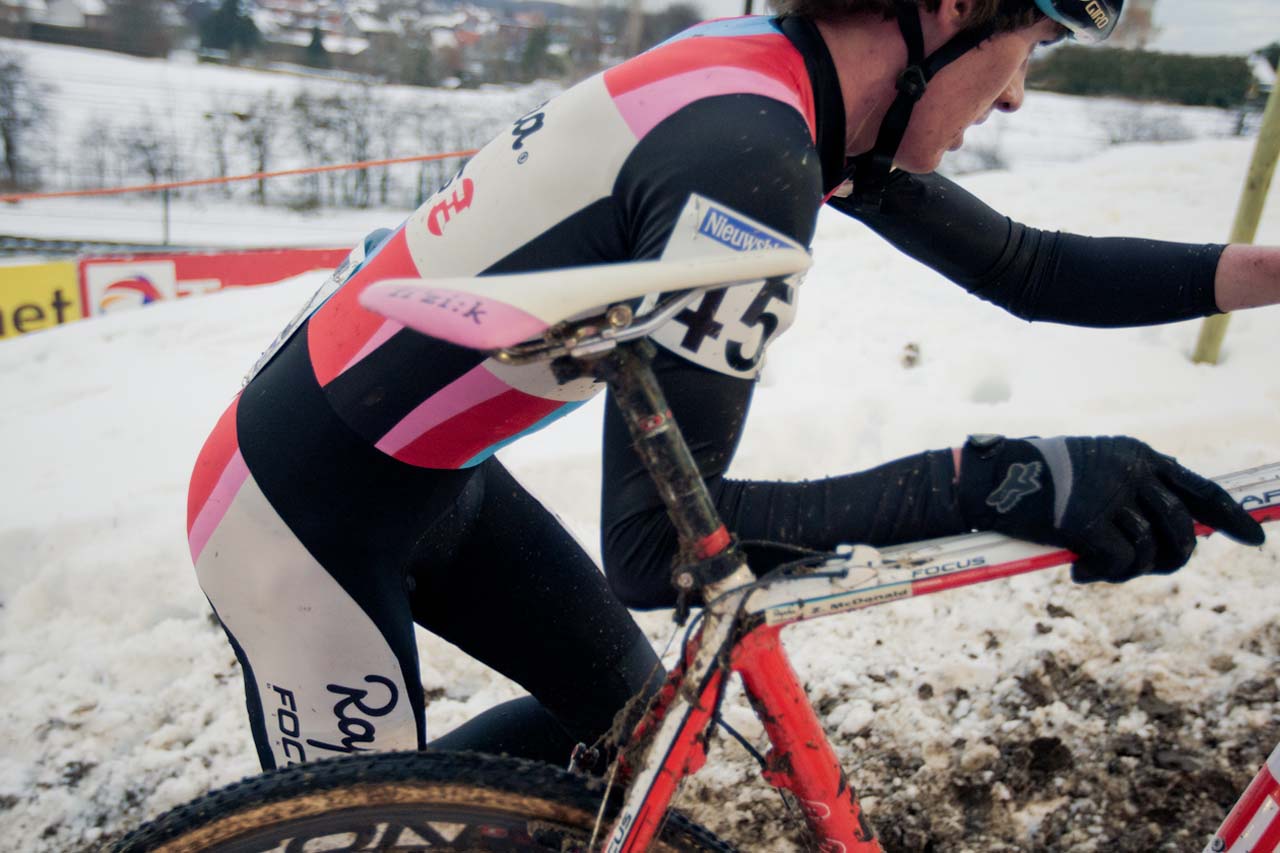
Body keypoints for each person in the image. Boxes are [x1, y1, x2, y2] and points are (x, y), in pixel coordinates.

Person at [187, 0, 1276, 772]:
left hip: (428, 482)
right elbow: (663, 549)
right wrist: (994, 481)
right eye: (1028, 48)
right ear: (951, 10)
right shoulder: (748, 157)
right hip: (295, 517)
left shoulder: (773, 82)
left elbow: (1029, 268)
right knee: (359, 833)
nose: (1015, 98)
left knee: (643, 733)